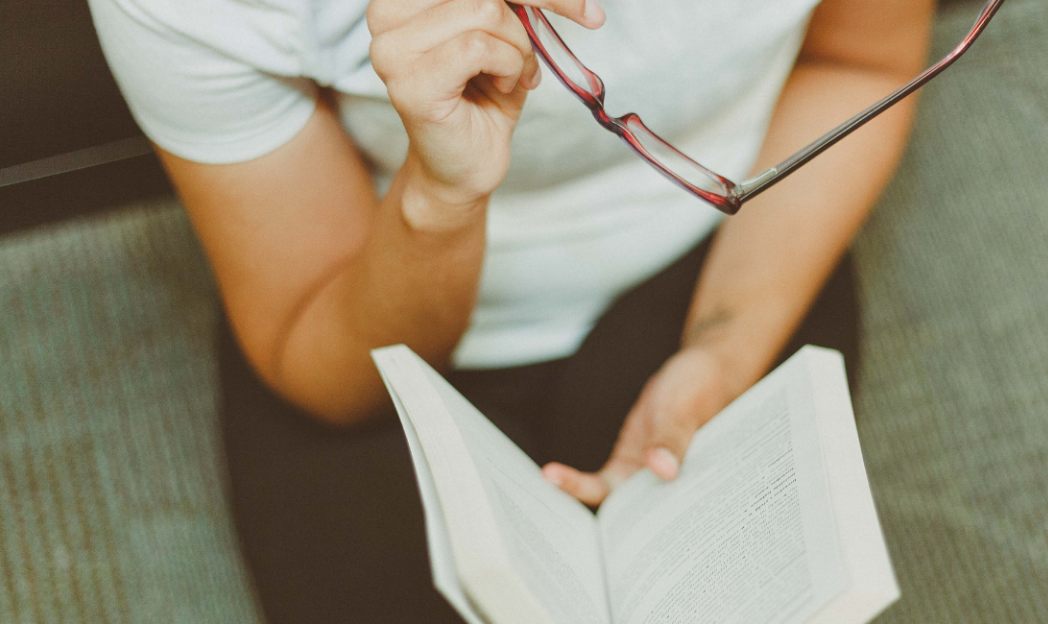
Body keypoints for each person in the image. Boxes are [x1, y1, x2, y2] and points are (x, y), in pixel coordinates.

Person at [89, 0, 932, 620]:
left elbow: (858, 64)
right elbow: (321, 358)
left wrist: (725, 347)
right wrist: (441, 197)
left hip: (729, 244)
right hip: (372, 281)